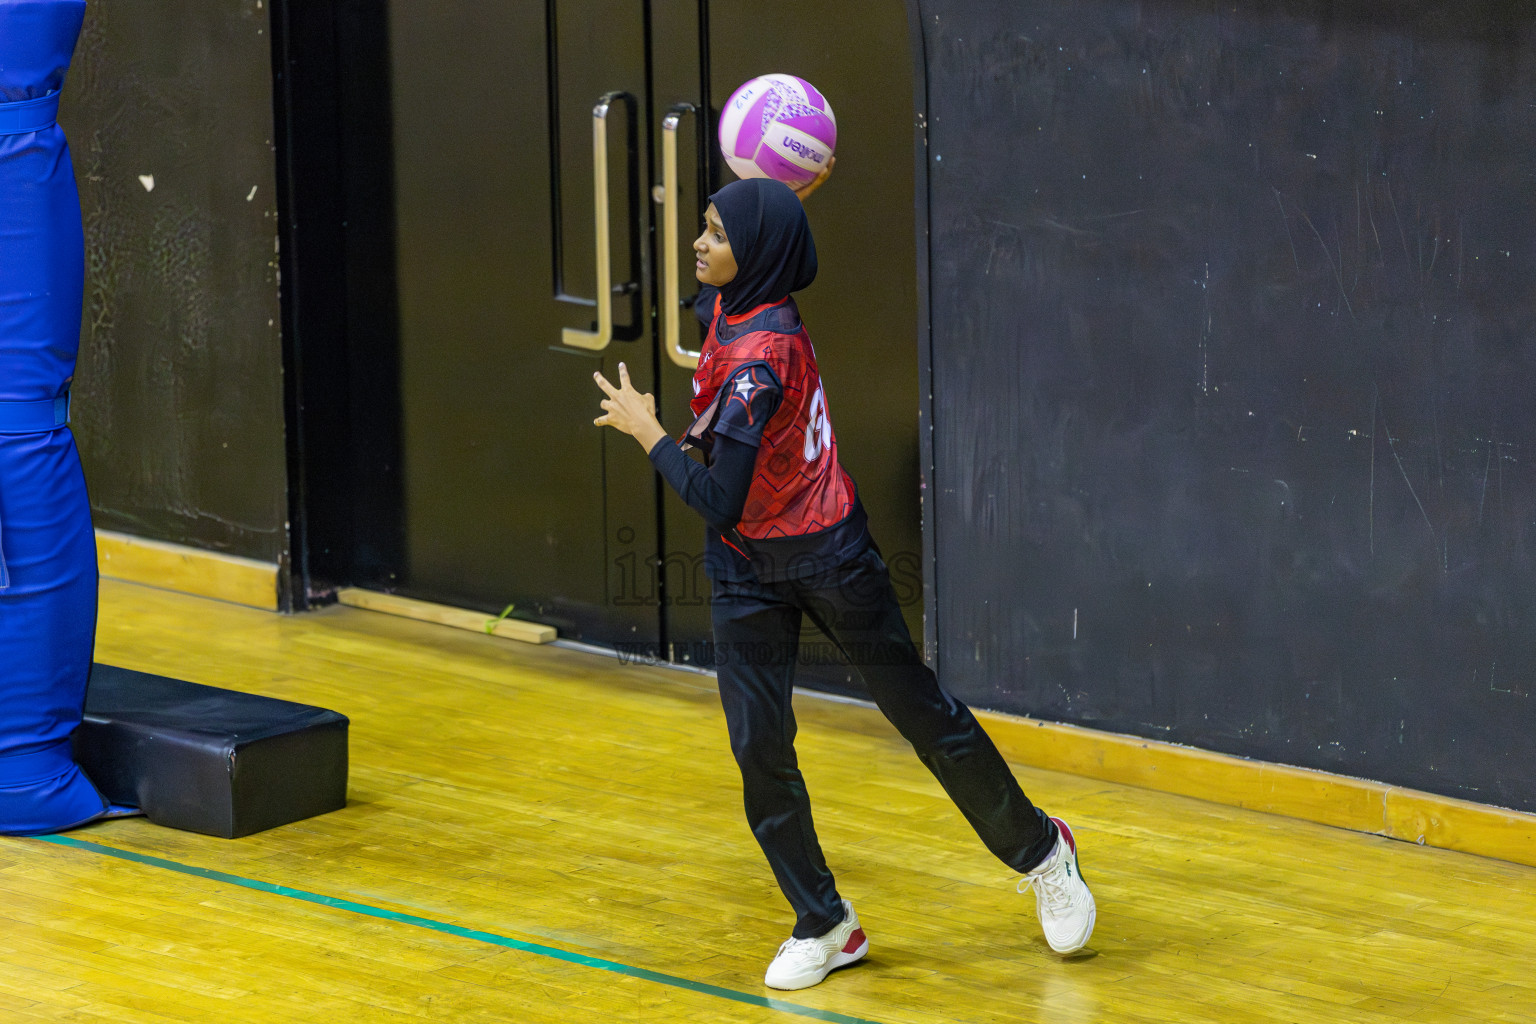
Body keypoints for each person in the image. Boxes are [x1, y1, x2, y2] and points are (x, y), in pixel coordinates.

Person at [592, 171, 1096, 991]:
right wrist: (779, 189)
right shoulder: (730, 301)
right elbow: (757, 261)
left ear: (754, 257)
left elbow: (717, 499)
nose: (697, 242)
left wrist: (649, 431)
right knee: (759, 747)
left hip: (828, 558)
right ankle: (825, 923)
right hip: (745, 567)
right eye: (705, 226)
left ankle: (1044, 853)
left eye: (715, 233)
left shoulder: (761, 361)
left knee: (923, 716)